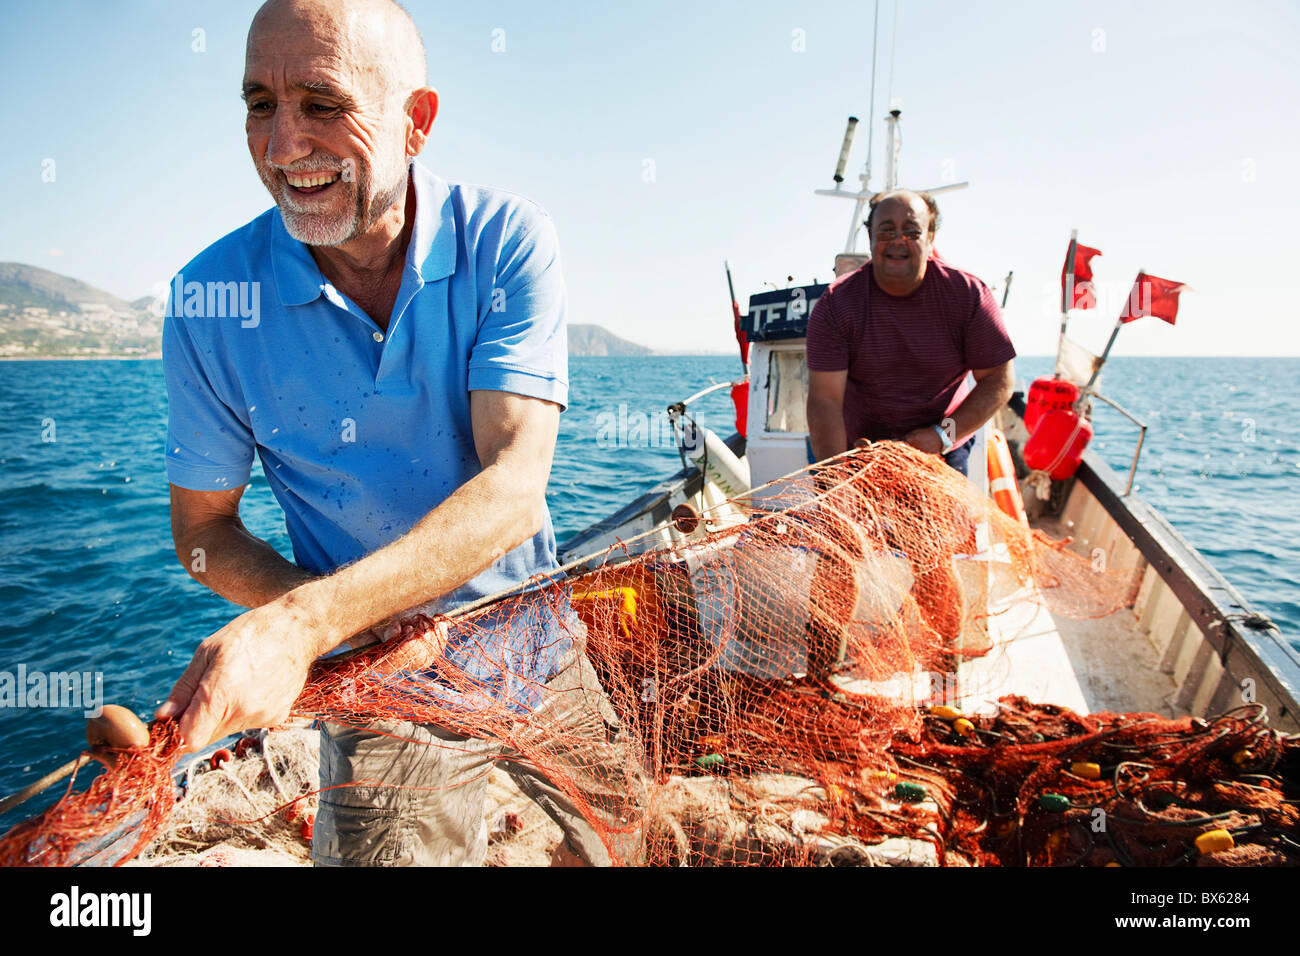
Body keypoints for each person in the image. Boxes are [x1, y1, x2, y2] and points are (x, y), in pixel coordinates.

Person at [155, 0, 642, 866]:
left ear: (416, 122)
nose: (281, 147)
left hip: (535, 638)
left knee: (622, 830)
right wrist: (341, 628)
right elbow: (202, 535)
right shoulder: (206, 303)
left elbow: (514, 487)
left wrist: (303, 624)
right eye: (259, 105)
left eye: (323, 103)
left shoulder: (505, 242)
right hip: (380, 683)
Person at [805, 189, 1016, 475]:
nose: (897, 241)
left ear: (930, 238)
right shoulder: (837, 304)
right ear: (870, 238)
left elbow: (999, 381)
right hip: (855, 449)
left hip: (942, 446)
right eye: (886, 230)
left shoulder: (967, 295)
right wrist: (836, 473)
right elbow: (825, 400)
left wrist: (942, 436)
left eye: (912, 232)